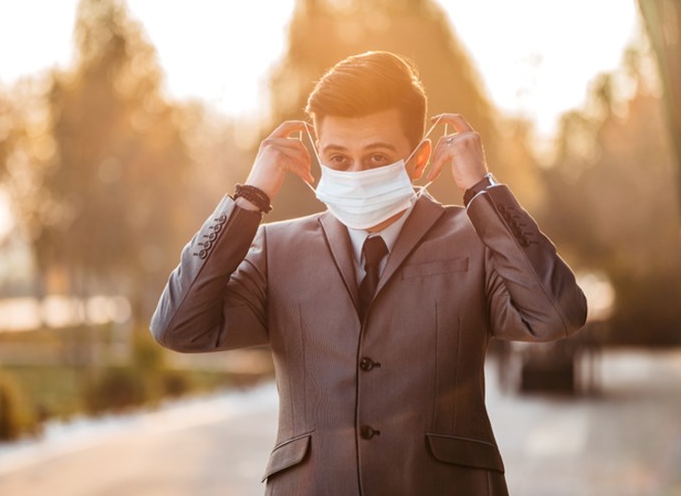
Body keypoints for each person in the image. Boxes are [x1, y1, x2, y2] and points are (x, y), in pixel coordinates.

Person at [151, 50, 587, 495]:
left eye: (377, 158)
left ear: (418, 163)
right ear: (319, 158)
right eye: (338, 159)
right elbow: (178, 327)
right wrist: (248, 199)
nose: (356, 174)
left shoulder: (476, 239)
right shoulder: (275, 250)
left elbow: (556, 312)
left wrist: (481, 189)